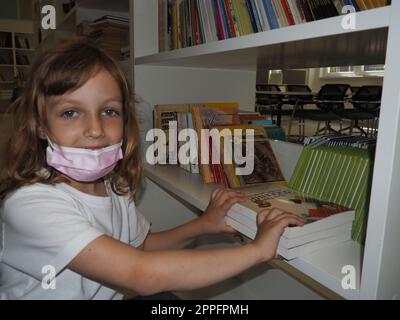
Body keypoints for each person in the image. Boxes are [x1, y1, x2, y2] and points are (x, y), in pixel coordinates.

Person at [0, 39, 305, 300]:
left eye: (109, 111)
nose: (94, 129)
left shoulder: (113, 185)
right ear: (40, 126)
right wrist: (257, 251)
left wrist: (203, 225)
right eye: (70, 112)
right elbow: (140, 273)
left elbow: (141, 246)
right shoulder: (30, 205)